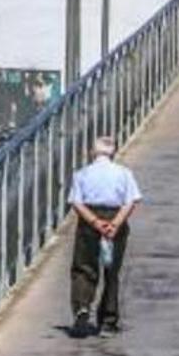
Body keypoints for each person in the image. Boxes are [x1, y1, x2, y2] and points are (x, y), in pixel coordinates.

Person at [67, 136, 142, 338]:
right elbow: (131, 201)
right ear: (113, 153)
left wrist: (95, 222)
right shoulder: (124, 173)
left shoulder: (81, 174)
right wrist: (115, 224)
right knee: (111, 271)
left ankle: (82, 309)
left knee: (84, 267)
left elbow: (76, 202)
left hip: (90, 220)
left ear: (93, 153)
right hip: (115, 219)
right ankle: (108, 321)